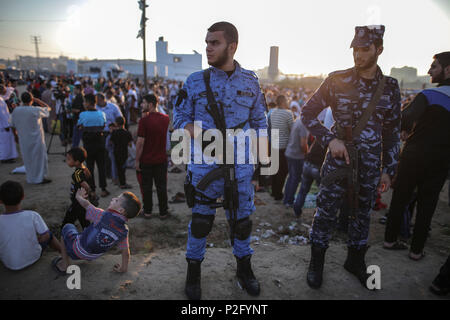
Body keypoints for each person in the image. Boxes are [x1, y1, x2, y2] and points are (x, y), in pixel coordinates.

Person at [173, 22, 268, 300]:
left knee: (241, 221)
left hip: (240, 165)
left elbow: (259, 121)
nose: (208, 47)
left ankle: (244, 268)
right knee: (201, 221)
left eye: (214, 42)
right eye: (207, 42)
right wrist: (199, 135)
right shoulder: (194, 81)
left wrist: (262, 163)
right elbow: (178, 119)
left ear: (232, 46)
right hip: (205, 165)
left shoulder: (250, 81)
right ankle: (193, 273)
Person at [301, 25, 401, 289]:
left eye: (365, 49)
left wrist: (388, 170)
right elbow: (307, 114)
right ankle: (316, 263)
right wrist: (330, 139)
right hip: (336, 162)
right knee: (325, 213)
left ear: (379, 49)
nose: (358, 54)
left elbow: (392, 134)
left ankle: (355, 261)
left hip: (369, 165)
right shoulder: (337, 79)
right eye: (355, 49)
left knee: (362, 215)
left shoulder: (390, 87)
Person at [383, 52, 450, 260]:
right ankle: (416, 250)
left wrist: (404, 128)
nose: (429, 71)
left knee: (400, 199)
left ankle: (390, 240)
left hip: (413, 156)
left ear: (448, 70)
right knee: (427, 205)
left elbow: (406, 116)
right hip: (440, 161)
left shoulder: (429, 95)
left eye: (434, 66)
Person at [52, 188, 141, 274]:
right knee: (88, 234)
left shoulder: (102, 215)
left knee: (67, 227)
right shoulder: (124, 231)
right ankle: (84, 255)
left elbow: (86, 205)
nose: (113, 198)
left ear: (121, 210)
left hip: (76, 251)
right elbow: (125, 252)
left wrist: (78, 197)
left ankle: (65, 264)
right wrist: (123, 268)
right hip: (94, 255)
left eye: (117, 200)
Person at [0, 181, 62, 270]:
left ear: (0, 201)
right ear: (23, 197)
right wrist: (41, 238)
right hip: (33, 257)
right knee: (50, 235)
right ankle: (63, 252)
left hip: (8, 263)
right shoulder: (32, 215)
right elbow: (46, 235)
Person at [135, 94, 170, 219]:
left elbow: (140, 143)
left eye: (143, 103)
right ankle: (163, 212)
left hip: (146, 159)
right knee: (162, 187)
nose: (141, 105)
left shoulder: (143, 121)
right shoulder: (166, 118)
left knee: (147, 187)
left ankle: (148, 211)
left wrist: (137, 160)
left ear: (150, 104)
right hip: (161, 158)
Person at [11, 92, 53, 184]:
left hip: (23, 139)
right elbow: (48, 108)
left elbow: (13, 125)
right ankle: (40, 178)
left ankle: (31, 178)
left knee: (28, 159)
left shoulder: (16, 111)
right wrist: (38, 100)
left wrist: (15, 136)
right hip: (37, 140)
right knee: (40, 159)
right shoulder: (35, 110)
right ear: (31, 100)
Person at [78, 93, 110, 197]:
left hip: (88, 144)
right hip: (100, 143)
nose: (83, 103)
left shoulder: (83, 114)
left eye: (84, 101)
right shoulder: (101, 114)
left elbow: (79, 126)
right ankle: (104, 189)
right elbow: (103, 125)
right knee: (101, 166)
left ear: (88, 103)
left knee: (90, 167)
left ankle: (92, 190)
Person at [62, 147, 96, 230]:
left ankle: (64, 231)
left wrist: (91, 192)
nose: (67, 161)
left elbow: (85, 184)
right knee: (84, 220)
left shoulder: (77, 174)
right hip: (83, 200)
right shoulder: (85, 169)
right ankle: (88, 232)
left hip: (77, 201)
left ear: (76, 162)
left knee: (68, 220)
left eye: (69, 159)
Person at [293, 139, 327, 217]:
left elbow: (309, 149)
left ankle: (297, 210)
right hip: (318, 168)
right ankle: (318, 214)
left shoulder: (320, 137)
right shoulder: (332, 141)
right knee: (322, 192)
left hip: (307, 165)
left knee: (303, 190)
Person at [269, 95, 294, 200]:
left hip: (273, 144)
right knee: (282, 171)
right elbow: (292, 129)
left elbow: (270, 126)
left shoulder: (272, 112)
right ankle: (278, 194)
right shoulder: (288, 114)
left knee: (274, 170)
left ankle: (274, 191)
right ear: (284, 102)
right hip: (283, 146)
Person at [283, 116, 308, 208]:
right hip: (296, 155)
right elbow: (303, 144)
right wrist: (307, 153)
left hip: (290, 152)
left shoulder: (298, 119)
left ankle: (286, 199)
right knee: (295, 179)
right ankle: (289, 201)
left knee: (291, 177)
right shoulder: (304, 123)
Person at [111, 116, 133, 189]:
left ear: (116, 124)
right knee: (122, 169)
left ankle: (119, 181)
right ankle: (123, 183)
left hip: (116, 151)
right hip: (124, 152)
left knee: (118, 167)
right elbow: (130, 144)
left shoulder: (114, 132)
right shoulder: (127, 133)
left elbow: (111, 142)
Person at [0, 94, 18, 163]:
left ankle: (9, 157)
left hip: (5, 123)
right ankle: (5, 158)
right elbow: (2, 114)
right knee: (5, 143)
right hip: (4, 125)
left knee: (7, 142)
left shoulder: (1, 98)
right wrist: (6, 125)